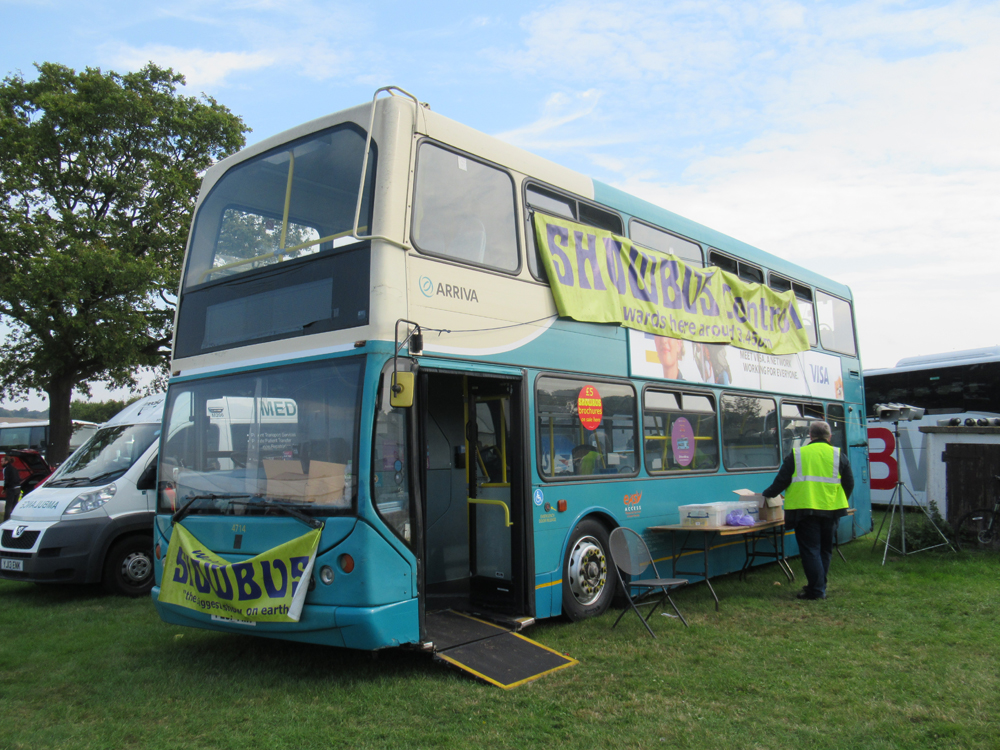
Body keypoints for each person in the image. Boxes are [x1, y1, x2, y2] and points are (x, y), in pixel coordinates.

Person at [762, 420, 853, 600]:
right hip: (831, 509)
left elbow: (781, 481)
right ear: (829, 437)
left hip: (804, 510)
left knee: (811, 550)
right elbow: (849, 483)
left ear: (810, 436)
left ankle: (817, 590)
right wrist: (840, 500)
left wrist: (766, 495)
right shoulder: (839, 455)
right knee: (825, 550)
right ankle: (819, 587)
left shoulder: (797, 454)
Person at [2, 454, 22, 522]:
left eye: (2, 461)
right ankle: (14, 519)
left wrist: (4, 489)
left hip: (11, 488)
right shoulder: (14, 468)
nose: (1, 462)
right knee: (14, 505)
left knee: (8, 505)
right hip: (18, 488)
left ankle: (6, 520)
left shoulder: (6, 469)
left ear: (6, 461)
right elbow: (19, 478)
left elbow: (6, 480)